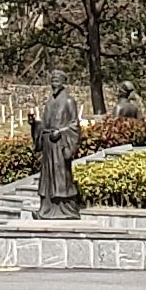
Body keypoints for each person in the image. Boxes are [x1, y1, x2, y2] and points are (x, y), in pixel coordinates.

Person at [31, 77, 84, 220]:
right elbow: (44, 126)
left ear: (63, 82)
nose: (54, 82)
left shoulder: (69, 101)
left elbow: (74, 125)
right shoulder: (49, 103)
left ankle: (66, 209)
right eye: (52, 79)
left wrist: (60, 132)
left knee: (62, 177)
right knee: (47, 178)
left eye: (57, 79)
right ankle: (46, 209)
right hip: (48, 145)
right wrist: (35, 124)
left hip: (60, 145)